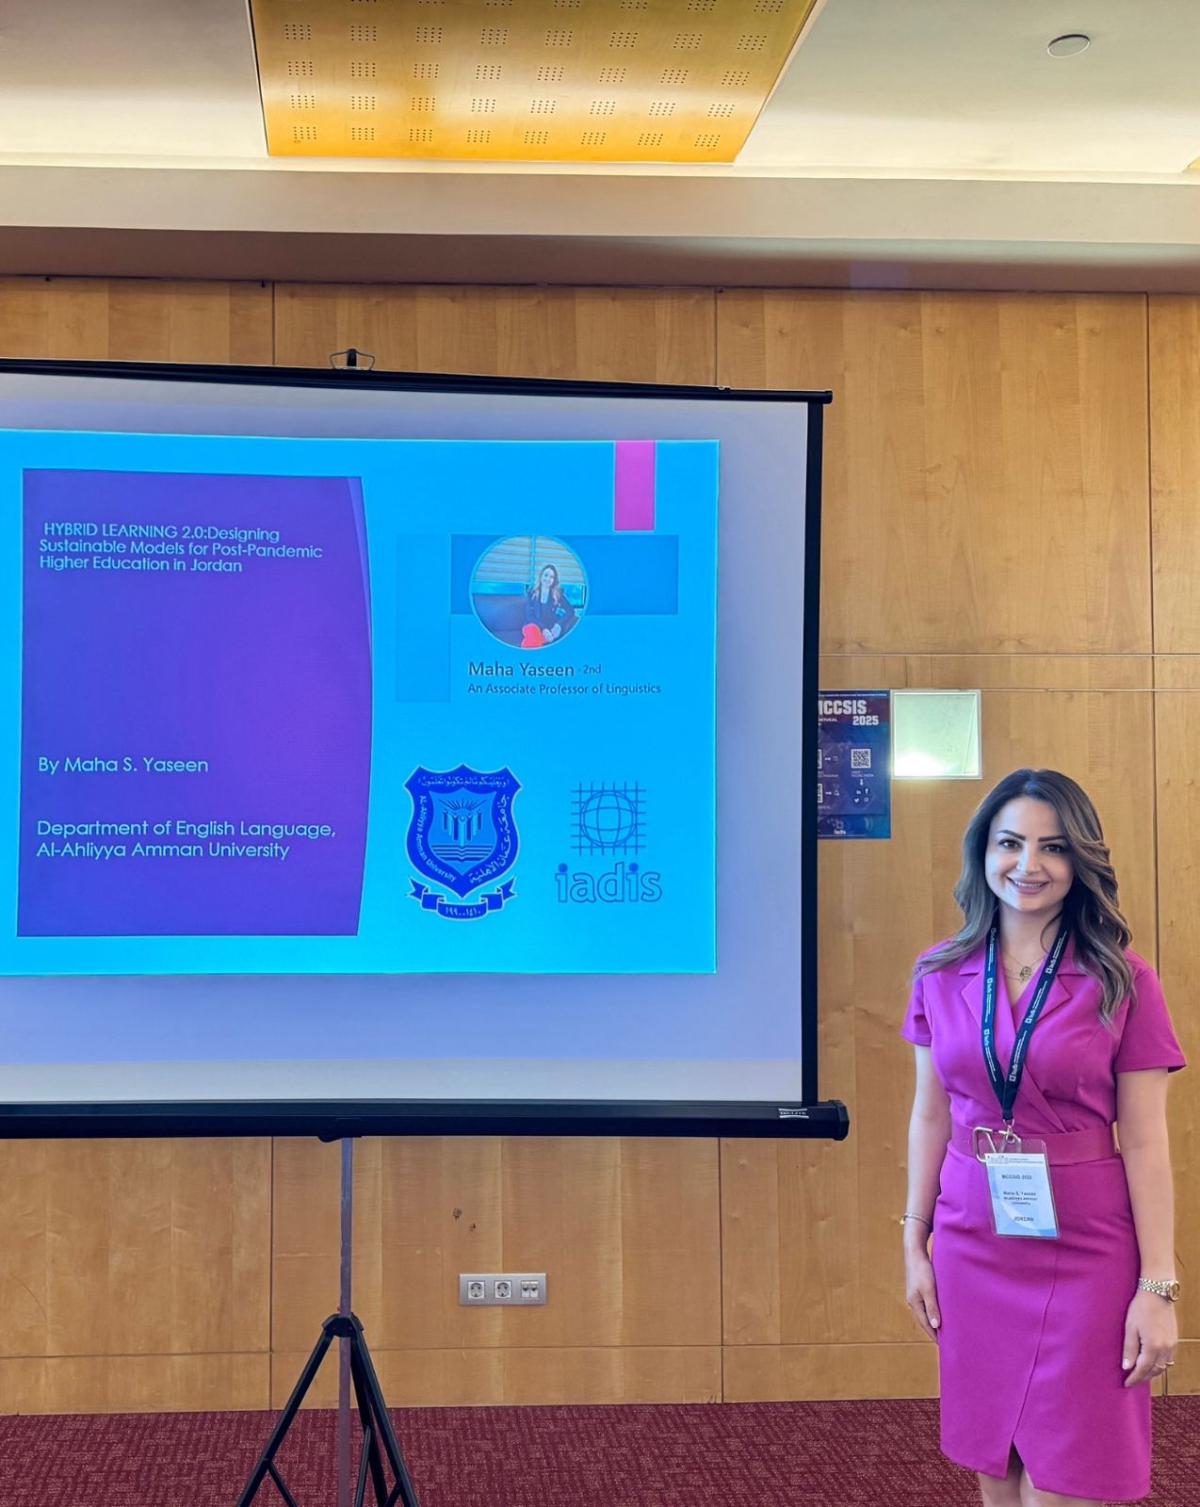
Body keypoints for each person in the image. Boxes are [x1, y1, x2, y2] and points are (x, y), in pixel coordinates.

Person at [901, 768, 1184, 1507]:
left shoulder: (1123, 979)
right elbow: (931, 1114)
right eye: (1010, 843)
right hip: (972, 1240)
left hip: (1087, 1247)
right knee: (996, 1468)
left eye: (1053, 847)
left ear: (1080, 860)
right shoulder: (940, 972)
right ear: (982, 852)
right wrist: (914, 1239)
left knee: (1068, 1478)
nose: (1028, 864)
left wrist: (1157, 1286)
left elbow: (1146, 1141)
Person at [523, 562, 577, 646]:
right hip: (533, 625)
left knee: (536, 641)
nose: (548, 579)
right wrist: (543, 629)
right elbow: (530, 616)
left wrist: (559, 625)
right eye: (546, 575)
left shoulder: (558, 594)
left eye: (551, 577)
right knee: (533, 634)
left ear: (554, 581)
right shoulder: (531, 593)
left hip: (549, 628)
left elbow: (571, 611)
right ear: (541, 576)